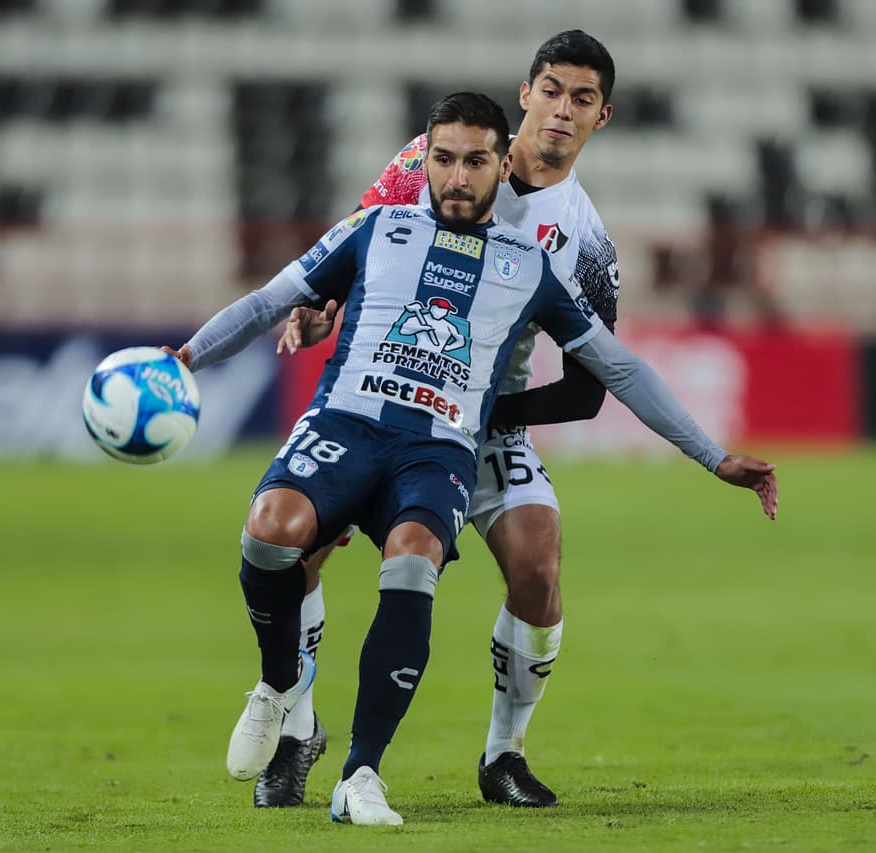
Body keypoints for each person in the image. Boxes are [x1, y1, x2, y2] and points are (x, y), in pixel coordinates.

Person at [168, 91, 777, 826]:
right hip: (349, 420)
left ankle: (363, 773)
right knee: (270, 530)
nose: (458, 177)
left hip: (439, 446)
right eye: (445, 160)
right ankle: (279, 687)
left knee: (416, 557)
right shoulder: (375, 227)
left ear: (500, 164)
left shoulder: (534, 263)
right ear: (424, 160)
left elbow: (616, 370)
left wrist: (713, 458)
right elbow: (270, 300)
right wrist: (187, 358)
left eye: (475, 162)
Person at [263, 30, 680, 810]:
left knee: (538, 567)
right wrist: (318, 306)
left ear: (603, 116)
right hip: (378, 398)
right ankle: (296, 727)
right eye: (551, 90)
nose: (561, 109)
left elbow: (589, 391)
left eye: (581, 99)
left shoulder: (586, 240)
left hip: (485, 425)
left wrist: (484, 407)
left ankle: (503, 755)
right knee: (299, 552)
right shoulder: (439, 152)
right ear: (526, 93)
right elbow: (357, 241)